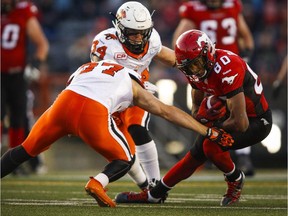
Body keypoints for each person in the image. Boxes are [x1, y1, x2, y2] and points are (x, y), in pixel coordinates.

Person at [0, 59, 234, 208]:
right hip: (91, 110)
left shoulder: (89, 66)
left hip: (61, 104)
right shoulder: (133, 84)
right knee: (125, 158)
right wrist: (207, 132)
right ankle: (97, 182)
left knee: (24, 150)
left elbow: (78, 88)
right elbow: (167, 111)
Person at [115, 30, 272, 206]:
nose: (194, 70)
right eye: (189, 67)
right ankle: (155, 195)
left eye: (197, 63)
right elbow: (196, 109)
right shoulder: (194, 70)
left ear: (208, 54)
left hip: (256, 121)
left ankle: (235, 179)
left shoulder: (228, 67)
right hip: (229, 116)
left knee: (209, 146)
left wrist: (212, 127)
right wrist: (204, 118)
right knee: (196, 153)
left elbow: (241, 124)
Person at [90, 1, 176, 189]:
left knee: (137, 128)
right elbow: (96, 72)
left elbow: (167, 56)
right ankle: (145, 185)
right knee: (124, 149)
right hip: (112, 94)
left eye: (142, 32)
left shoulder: (152, 39)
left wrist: (191, 66)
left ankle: (156, 183)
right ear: (120, 29)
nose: (138, 38)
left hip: (138, 93)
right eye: (132, 32)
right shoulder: (105, 43)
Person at [172, 0, 255, 176]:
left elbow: (246, 36)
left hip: (224, 69)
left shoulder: (231, 6)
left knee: (236, 113)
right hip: (205, 68)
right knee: (209, 112)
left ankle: (240, 157)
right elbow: (179, 43)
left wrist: (245, 60)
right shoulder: (194, 10)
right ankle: (214, 154)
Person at [1, 0, 49, 174]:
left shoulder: (24, 11)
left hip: (17, 75)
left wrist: (34, 65)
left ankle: (12, 163)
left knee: (18, 118)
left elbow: (42, 44)